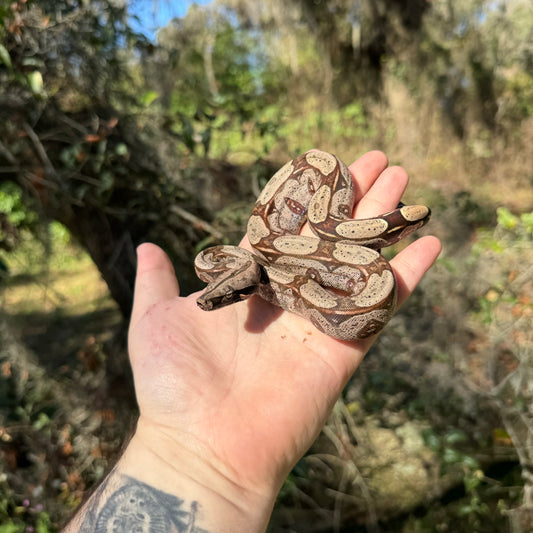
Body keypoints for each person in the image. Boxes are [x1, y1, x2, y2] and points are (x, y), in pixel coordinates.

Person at [63, 151, 442, 532]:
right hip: (323, 254)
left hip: (332, 254)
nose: (213, 302)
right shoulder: (244, 261)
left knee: (333, 228)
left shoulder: (258, 259)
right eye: (222, 295)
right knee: (332, 229)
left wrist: (174, 460)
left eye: (226, 296)